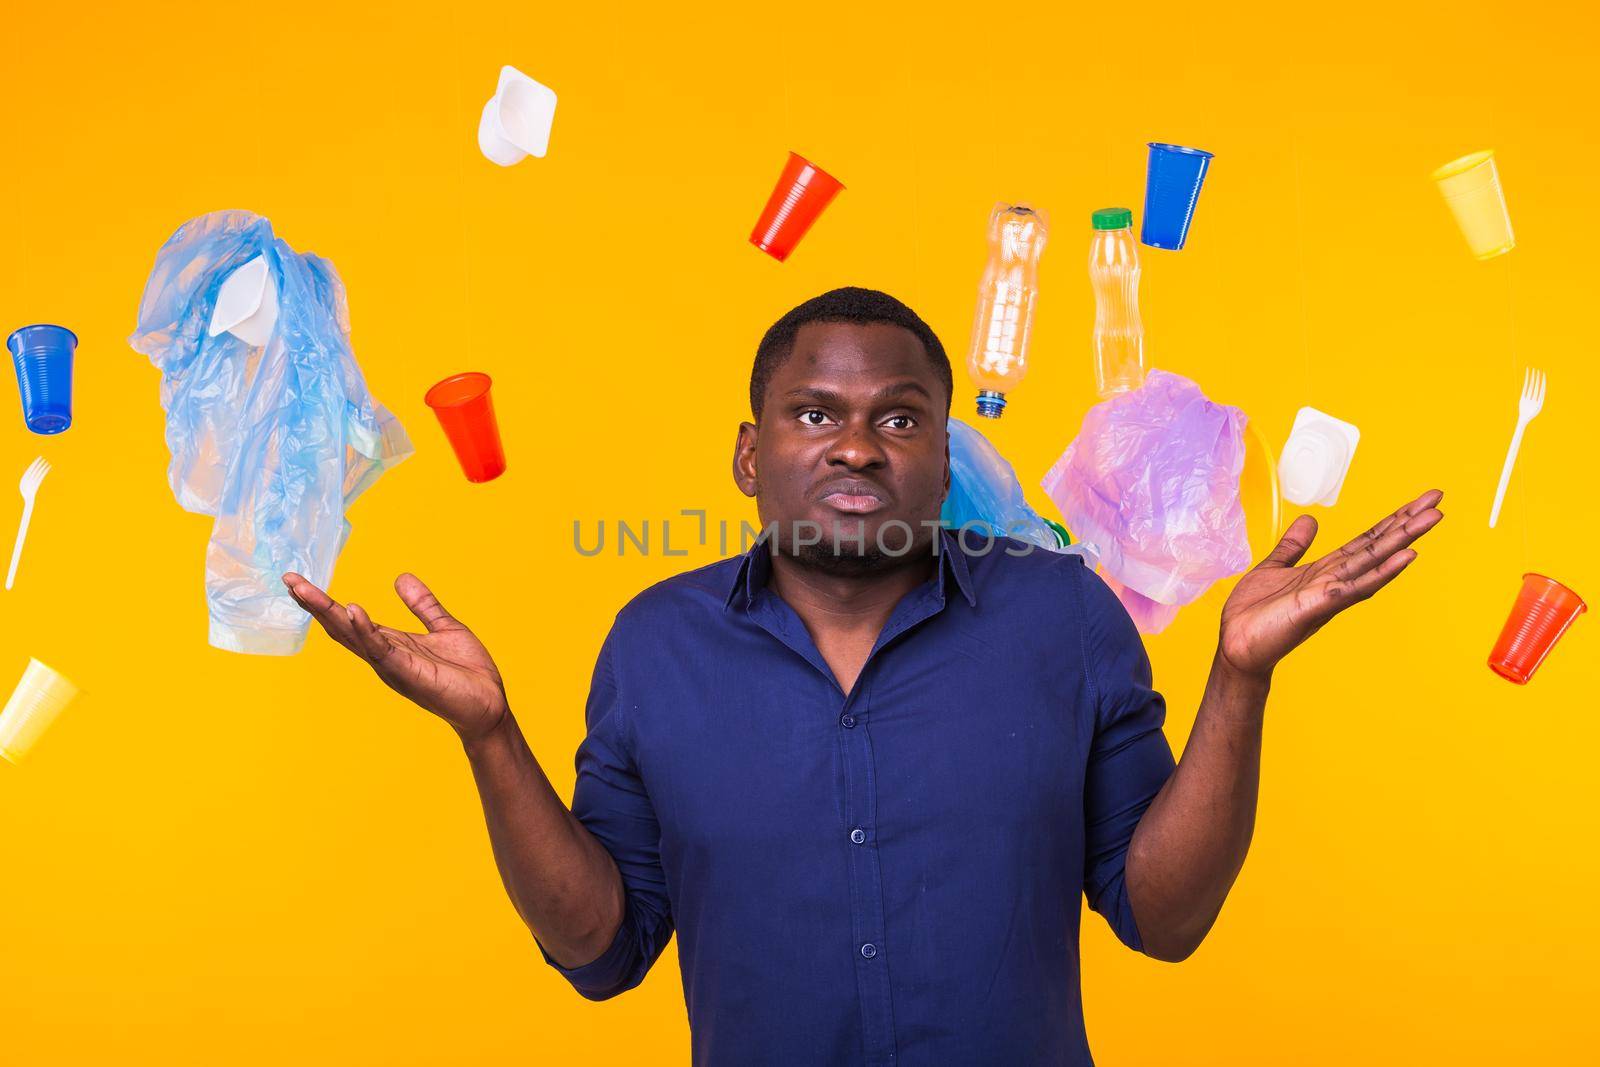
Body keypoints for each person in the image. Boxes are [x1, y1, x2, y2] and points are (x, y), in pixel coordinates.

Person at [284, 287, 1443, 1065]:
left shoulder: (1063, 616)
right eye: (812, 413)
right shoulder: (654, 642)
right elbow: (601, 951)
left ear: (943, 457)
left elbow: (1165, 916)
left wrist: (1238, 679)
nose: (854, 444)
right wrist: (489, 736)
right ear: (750, 453)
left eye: (899, 417)